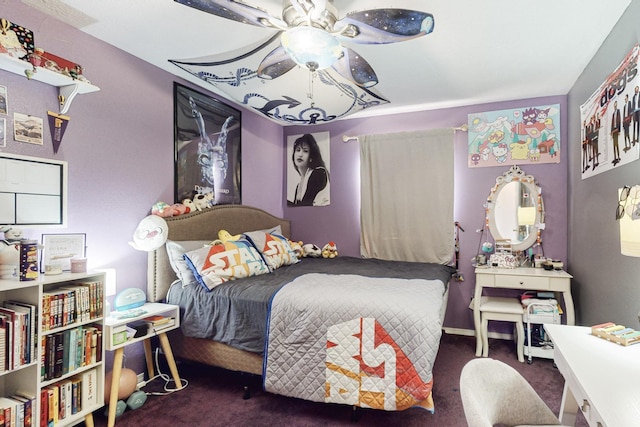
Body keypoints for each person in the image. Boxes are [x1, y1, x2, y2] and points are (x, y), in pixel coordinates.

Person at [288, 134, 330, 206]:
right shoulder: (299, 186)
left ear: (311, 156)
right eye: (298, 150)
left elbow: (306, 206)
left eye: (305, 151)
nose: (300, 154)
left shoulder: (319, 174)